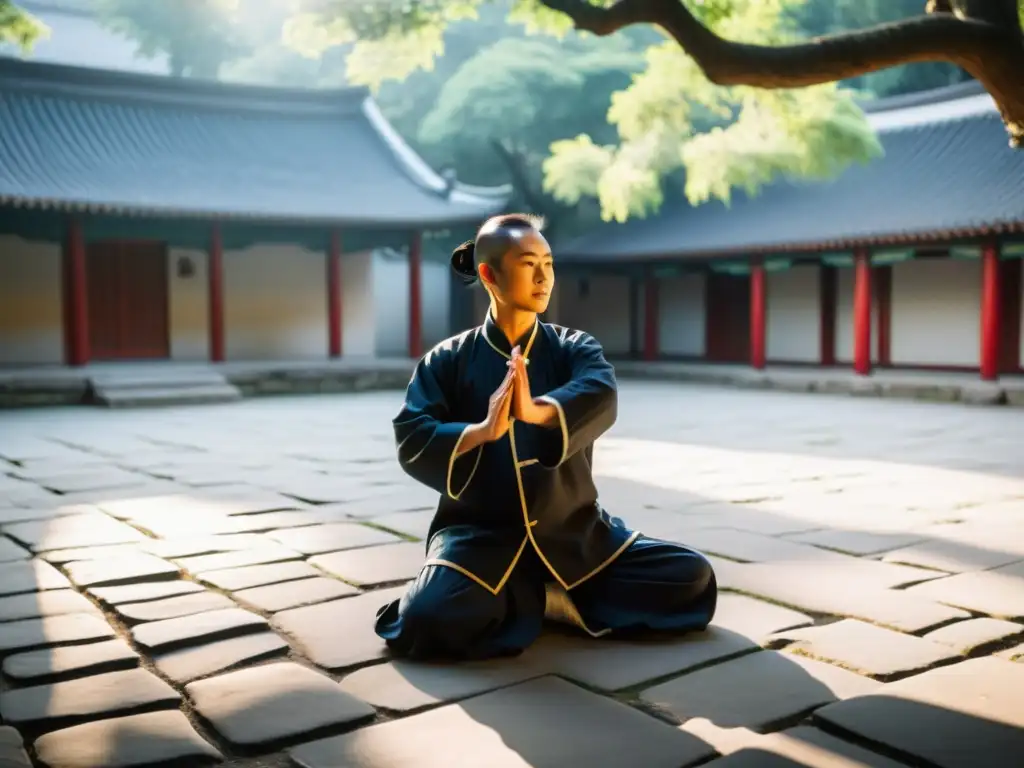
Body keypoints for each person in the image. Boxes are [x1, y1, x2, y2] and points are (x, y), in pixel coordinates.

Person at [375, 213, 717, 660]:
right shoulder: (447, 360)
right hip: (479, 540)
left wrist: (535, 410)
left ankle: (539, 599)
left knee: (691, 576)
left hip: (575, 534)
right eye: (527, 263)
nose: (543, 277)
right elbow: (412, 432)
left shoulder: (574, 347)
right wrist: (481, 432)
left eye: (548, 263)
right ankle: (541, 598)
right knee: (426, 617)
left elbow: (599, 391)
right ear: (488, 275)